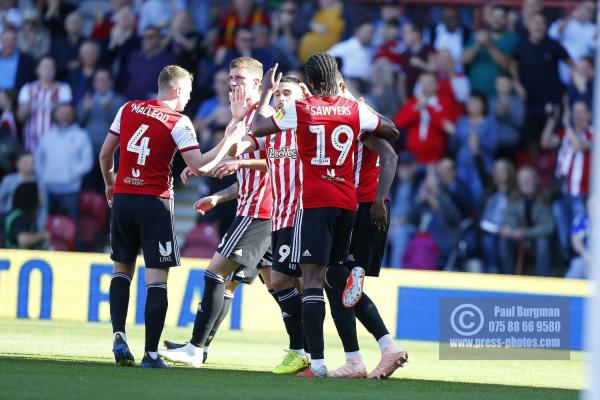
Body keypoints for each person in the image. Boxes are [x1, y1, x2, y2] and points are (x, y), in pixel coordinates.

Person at [251, 53, 401, 378]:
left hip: (315, 203)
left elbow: (258, 128)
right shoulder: (353, 110)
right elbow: (392, 131)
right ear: (337, 78)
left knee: (312, 280)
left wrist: (265, 94)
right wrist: (361, 116)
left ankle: (317, 363)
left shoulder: (300, 109)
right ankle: (356, 356)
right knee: (334, 276)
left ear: (311, 81)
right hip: (348, 204)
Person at [98, 65, 225, 368]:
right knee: (156, 280)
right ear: (178, 90)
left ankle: (119, 335)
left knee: (121, 270)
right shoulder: (179, 121)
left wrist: (110, 184)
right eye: (189, 94)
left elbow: (105, 155)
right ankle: (151, 354)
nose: (189, 100)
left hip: (124, 198)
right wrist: (227, 140)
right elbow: (199, 166)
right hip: (154, 202)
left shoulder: (128, 108)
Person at [158, 57, 273, 369]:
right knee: (274, 286)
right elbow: (238, 169)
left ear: (257, 85)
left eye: (239, 78)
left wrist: (204, 167)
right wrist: (217, 195)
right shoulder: (242, 118)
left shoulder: (265, 119)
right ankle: (201, 346)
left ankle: (195, 349)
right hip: (254, 209)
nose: (233, 83)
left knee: (214, 274)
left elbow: (274, 164)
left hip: (258, 212)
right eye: (230, 78)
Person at [318, 71, 406, 379]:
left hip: (366, 208)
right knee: (336, 282)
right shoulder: (352, 117)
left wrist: (380, 200)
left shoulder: (358, 120)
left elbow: (391, 155)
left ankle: (382, 349)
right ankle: (357, 358)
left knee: (335, 276)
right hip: (358, 206)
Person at [511, 13, 573, 147]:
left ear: (546, 27)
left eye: (542, 24)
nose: (538, 27)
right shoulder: (521, 46)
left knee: (553, 138)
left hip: (551, 102)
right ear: (529, 26)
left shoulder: (554, 45)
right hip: (529, 102)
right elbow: (512, 65)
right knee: (531, 141)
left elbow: (571, 64)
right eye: (535, 23)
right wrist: (516, 84)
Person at [541, 101, 592, 261]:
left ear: (589, 114)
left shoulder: (593, 133)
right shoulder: (565, 134)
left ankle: (580, 260)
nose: (577, 115)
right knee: (563, 226)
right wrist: (552, 120)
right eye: (574, 111)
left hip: (582, 193)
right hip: (563, 192)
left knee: (579, 231)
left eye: (581, 111)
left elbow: (579, 146)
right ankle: (567, 258)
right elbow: (545, 142)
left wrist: (567, 126)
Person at [35, 103, 92, 225]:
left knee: (73, 226)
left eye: (68, 113)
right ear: (55, 114)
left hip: (70, 189)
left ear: (73, 115)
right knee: (46, 226)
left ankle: (76, 245)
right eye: (61, 112)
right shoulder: (46, 135)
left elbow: (87, 161)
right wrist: (43, 175)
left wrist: (71, 174)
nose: (64, 116)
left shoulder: (81, 135)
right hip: (48, 188)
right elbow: (38, 159)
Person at [498, 166, 554, 276]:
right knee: (504, 241)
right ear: (518, 182)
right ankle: (508, 278)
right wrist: (509, 229)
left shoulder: (544, 197)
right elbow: (510, 218)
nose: (525, 182)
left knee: (543, 243)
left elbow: (548, 227)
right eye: (522, 179)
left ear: (536, 180)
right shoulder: (514, 197)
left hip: (536, 237)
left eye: (528, 179)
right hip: (517, 237)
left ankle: (542, 281)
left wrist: (524, 233)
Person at [394, 72, 453, 164]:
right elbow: (399, 122)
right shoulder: (413, 101)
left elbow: (444, 126)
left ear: (437, 85)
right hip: (413, 157)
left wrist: (428, 108)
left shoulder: (444, 102)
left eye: (429, 83)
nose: (426, 86)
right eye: (423, 83)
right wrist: (416, 108)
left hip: (436, 157)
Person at [17, 56, 72, 152]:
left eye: (51, 67)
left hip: (56, 144)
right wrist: (29, 102)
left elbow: (67, 118)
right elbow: (20, 117)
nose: (48, 70)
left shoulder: (63, 89)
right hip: (31, 143)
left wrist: (56, 103)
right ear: (37, 69)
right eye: (45, 67)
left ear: (55, 71)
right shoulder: (27, 88)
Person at [461, 4, 518, 98]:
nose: (496, 20)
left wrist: (489, 45)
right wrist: (477, 44)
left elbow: (507, 64)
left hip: (499, 95)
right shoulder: (477, 35)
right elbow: (464, 60)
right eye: (494, 16)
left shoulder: (512, 38)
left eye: (501, 17)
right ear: (489, 18)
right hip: (476, 94)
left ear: (506, 20)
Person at [3, 182, 48, 249]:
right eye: (39, 193)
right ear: (31, 196)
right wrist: (41, 236)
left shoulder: (28, 216)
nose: (42, 196)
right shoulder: (17, 216)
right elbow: (23, 239)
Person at [0, 27, 36, 91]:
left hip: (17, 97)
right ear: (1, 41)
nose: (9, 43)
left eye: (13, 40)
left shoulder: (28, 61)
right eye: (6, 40)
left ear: (17, 42)